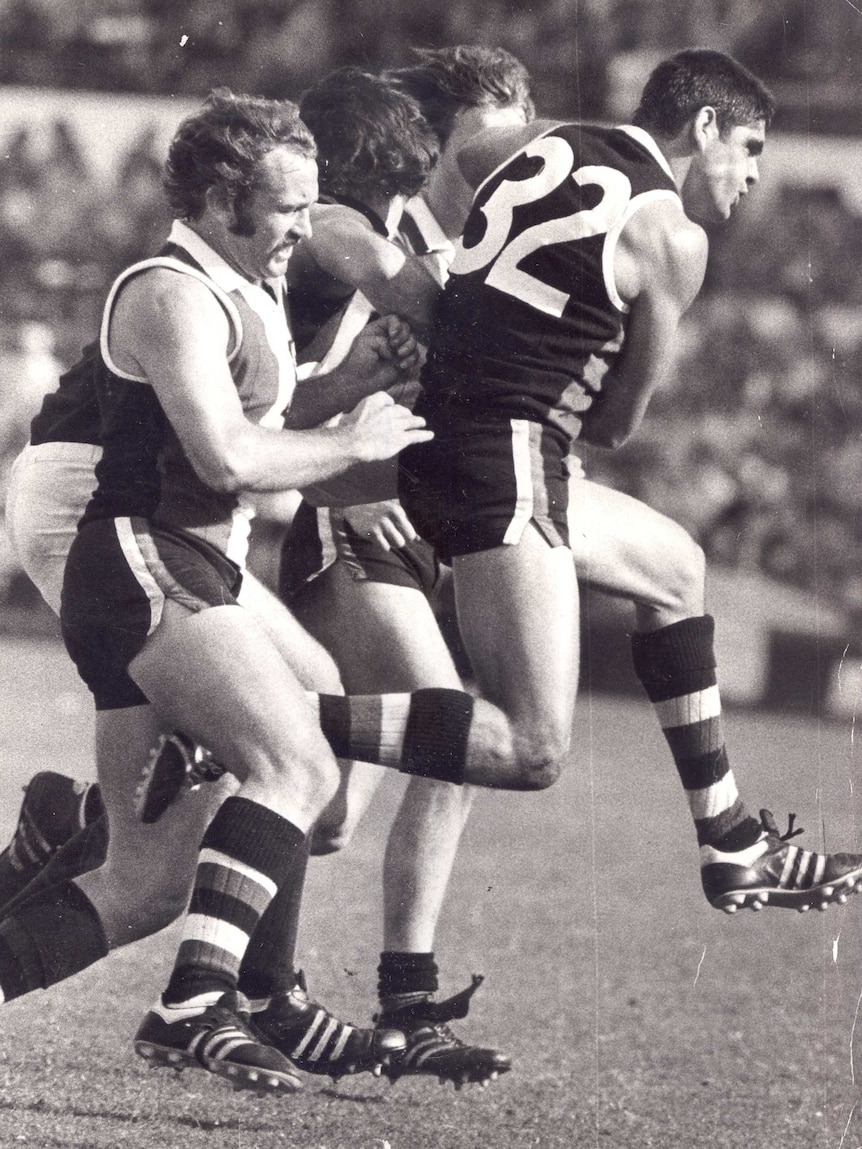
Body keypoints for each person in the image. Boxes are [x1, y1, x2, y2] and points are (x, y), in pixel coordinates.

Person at [0, 88, 433, 1094]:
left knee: (143, 884)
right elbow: (225, 451)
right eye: (285, 207)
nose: (303, 229)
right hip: (146, 558)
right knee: (296, 765)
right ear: (216, 197)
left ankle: (103, 860)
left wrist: (355, 382)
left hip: (178, 555)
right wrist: (348, 444)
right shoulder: (168, 289)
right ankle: (204, 1001)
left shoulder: (241, 287)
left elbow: (251, 418)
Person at [282, 51, 535, 1085]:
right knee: (449, 732)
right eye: (488, 141)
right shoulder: (373, 240)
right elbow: (314, 390)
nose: (509, 160)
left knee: (333, 812)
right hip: (355, 522)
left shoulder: (488, 235)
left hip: (429, 528)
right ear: (429, 149)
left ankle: (121, 835)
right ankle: (395, 1005)